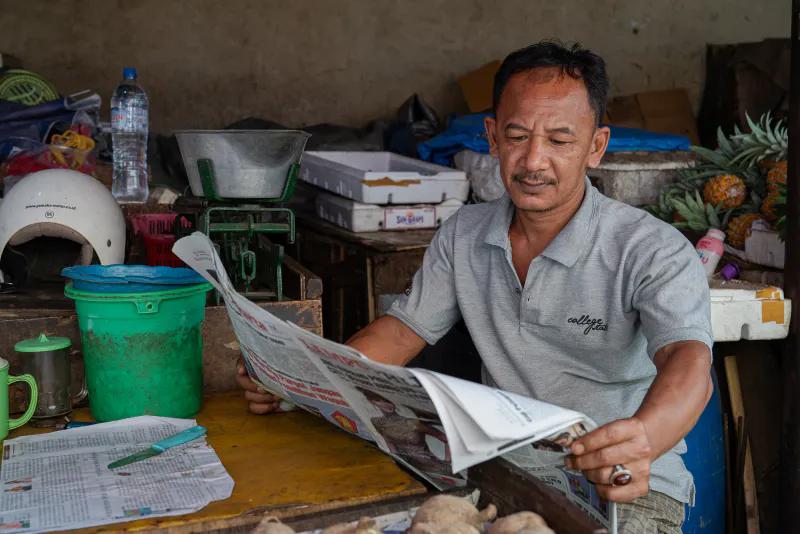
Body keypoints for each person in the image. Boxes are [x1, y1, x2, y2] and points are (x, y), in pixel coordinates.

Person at [237, 40, 713, 534]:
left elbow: (688, 360)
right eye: (517, 135)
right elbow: (400, 335)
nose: (533, 161)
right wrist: (301, 380)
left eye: (560, 140)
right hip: (500, 478)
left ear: (596, 146)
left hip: (626, 490)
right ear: (492, 136)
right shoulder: (464, 233)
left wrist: (643, 438)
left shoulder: (652, 248)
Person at [355, 387, 452, 475]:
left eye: (387, 400)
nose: (386, 404)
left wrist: (447, 461)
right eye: (378, 400)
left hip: (437, 469)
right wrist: (397, 462)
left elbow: (448, 439)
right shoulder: (376, 421)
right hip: (410, 469)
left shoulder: (413, 423)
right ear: (371, 401)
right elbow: (391, 445)